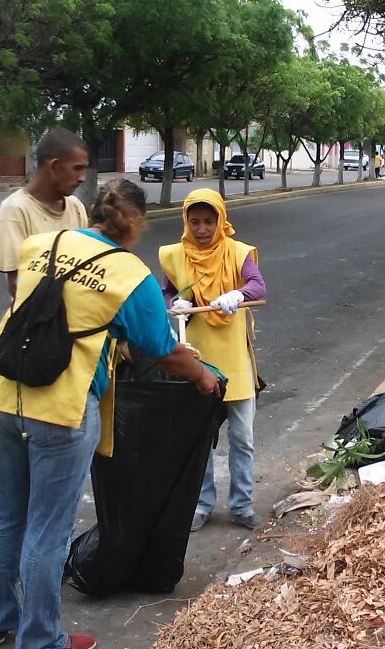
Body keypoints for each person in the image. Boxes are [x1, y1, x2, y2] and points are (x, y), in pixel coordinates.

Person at [0, 179, 221, 649]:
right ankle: (42, 639)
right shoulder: (130, 274)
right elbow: (163, 349)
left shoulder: (40, 244)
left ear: (90, 213)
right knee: (47, 527)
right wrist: (202, 377)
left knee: (3, 514)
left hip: (1, 393)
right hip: (61, 408)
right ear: (138, 223)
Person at [159, 188, 267, 532]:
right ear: (186, 222)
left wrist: (238, 293)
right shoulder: (176, 255)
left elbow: (257, 286)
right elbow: (165, 291)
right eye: (195, 222)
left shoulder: (238, 252)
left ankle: (241, 504)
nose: (202, 229)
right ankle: (202, 504)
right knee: (199, 440)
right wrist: (177, 302)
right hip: (197, 361)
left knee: (243, 437)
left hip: (235, 361)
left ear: (220, 220)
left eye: (209, 221)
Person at [0, 128, 90, 300]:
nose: (82, 178)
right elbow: (17, 285)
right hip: (37, 322)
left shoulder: (75, 206)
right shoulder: (15, 210)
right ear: (54, 166)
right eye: (77, 169)